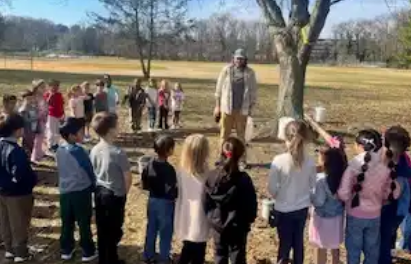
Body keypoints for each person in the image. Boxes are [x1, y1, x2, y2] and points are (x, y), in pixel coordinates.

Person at [338, 129, 401, 264]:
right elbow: (394, 192)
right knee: (372, 251)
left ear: (360, 146)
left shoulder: (353, 165)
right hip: (374, 215)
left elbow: (343, 194)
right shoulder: (385, 166)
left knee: (353, 251)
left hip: (355, 214)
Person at [268, 120, 316, 264]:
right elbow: (312, 185)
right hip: (301, 208)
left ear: (286, 138)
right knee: (298, 243)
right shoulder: (310, 161)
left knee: (284, 245)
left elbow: (271, 188)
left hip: (283, 209)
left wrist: (277, 195)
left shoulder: (279, 161)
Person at [204, 137, 257, 264]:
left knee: (219, 255)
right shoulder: (244, 180)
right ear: (240, 155)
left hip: (218, 225)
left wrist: (211, 218)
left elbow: (206, 201)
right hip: (238, 226)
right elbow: (251, 205)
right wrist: (249, 220)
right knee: (238, 257)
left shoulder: (212, 176)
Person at [90, 112, 132, 264]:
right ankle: (111, 259)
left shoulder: (94, 150)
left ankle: (105, 258)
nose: (119, 127)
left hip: (100, 194)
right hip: (115, 196)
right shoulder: (118, 153)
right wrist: (123, 194)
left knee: (102, 229)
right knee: (114, 229)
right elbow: (128, 178)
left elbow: (93, 173)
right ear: (110, 130)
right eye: (117, 125)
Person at [56, 118, 97, 262]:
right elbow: (89, 170)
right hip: (81, 192)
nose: (83, 134)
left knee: (67, 222)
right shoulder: (79, 151)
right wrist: (94, 186)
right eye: (81, 132)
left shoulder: (59, 150)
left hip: (65, 192)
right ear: (72, 135)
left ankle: (66, 249)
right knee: (84, 222)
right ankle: (88, 250)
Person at [0, 113, 38, 262]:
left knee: (5, 221)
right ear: (17, 130)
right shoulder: (15, 150)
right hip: (17, 194)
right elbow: (20, 172)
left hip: (2, 191)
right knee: (19, 223)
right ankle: (20, 253)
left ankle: (9, 248)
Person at [214, 48, 257, 168]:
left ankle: (242, 160)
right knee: (224, 135)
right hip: (226, 109)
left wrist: (251, 109)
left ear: (245, 60)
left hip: (242, 110)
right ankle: (221, 158)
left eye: (241, 58)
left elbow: (253, 92)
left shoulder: (250, 73)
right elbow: (218, 90)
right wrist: (217, 106)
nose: (239, 60)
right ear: (233, 59)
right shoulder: (226, 70)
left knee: (241, 136)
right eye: (237, 58)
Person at [174, 134, 210, 264]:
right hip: (200, 218)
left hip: (185, 216)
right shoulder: (208, 174)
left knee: (188, 248)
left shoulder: (181, 172)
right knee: (198, 253)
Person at [309, 146, 347, 264]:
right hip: (337, 219)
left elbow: (319, 202)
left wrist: (310, 196)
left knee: (320, 247)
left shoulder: (322, 181)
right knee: (335, 247)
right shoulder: (344, 178)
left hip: (322, 219)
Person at [142, 135, 177, 264]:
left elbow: (144, 183)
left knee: (151, 228)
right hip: (165, 203)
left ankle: (148, 255)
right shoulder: (169, 169)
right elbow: (172, 190)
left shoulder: (148, 165)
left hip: (152, 201)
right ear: (168, 151)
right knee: (165, 232)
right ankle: (164, 258)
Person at [378, 126, 411, 264]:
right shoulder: (405, 163)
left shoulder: (389, 167)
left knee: (381, 242)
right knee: (388, 238)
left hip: (387, 212)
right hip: (398, 213)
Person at [44, 79, 64, 152]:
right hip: (51, 115)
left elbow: (61, 104)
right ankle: (50, 145)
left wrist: (63, 114)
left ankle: (55, 144)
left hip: (58, 115)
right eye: (54, 86)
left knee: (57, 131)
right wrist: (50, 95)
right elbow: (46, 103)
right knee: (51, 131)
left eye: (57, 86)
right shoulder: (47, 94)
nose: (56, 88)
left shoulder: (59, 94)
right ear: (50, 86)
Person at [31, 79, 48, 163]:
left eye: (44, 87)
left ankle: (39, 153)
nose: (44, 88)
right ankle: (33, 157)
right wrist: (39, 115)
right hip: (36, 120)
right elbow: (34, 109)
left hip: (43, 119)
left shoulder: (43, 97)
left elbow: (45, 107)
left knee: (41, 137)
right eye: (42, 87)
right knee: (37, 139)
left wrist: (45, 115)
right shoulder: (34, 98)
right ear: (36, 88)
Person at [19, 90, 39, 157]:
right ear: (24, 99)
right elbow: (26, 120)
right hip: (26, 131)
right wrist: (36, 117)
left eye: (31, 98)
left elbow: (35, 114)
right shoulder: (24, 109)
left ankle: (29, 159)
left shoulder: (32, 107)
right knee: (26, 146)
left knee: (31, 145)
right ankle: (25, 160)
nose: (30, 100)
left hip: (32, 130)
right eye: (28, 99)